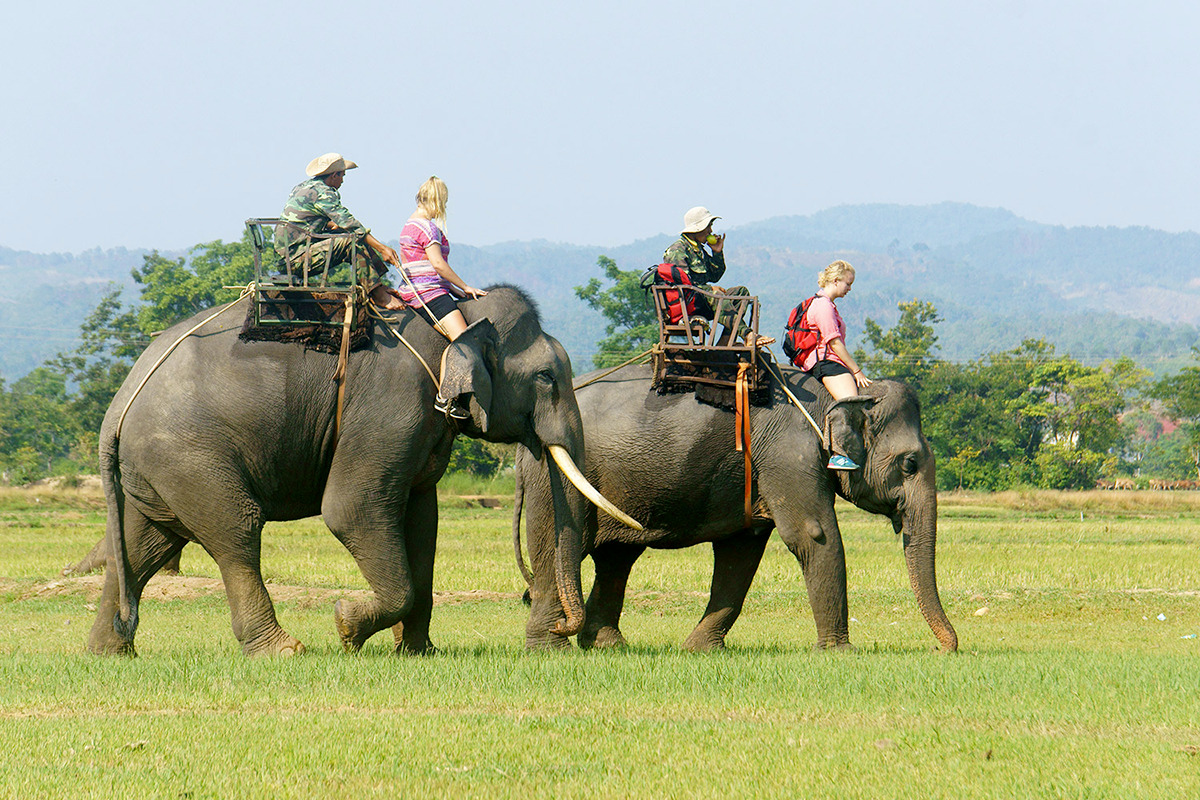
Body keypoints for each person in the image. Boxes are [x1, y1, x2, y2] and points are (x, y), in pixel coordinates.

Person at [395, 176, 487, 419]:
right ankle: (445, 398)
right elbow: (437, 264)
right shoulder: (427, 227)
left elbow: (423, 265)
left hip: (423, 289)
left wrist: (455, 290)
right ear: (437, 200)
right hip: (429, 294)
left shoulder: (409, 225)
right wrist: (465, 286)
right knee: (464, 340)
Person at [275, 152, 402, 309]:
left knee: (351, 235)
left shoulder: (304, 187)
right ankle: (378, 295)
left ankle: (377, 285)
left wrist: (329, 225)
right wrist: (382, 248)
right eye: (342, 175)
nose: (342, 180)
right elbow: (351, 224)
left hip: (293, 252)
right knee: (351, 240)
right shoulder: (324, 193)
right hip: (296, 258)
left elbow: (303, 216)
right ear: (334, 175)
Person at [662, 206, 774, 347]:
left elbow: (715, 276)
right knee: (715, 294)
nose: (710, 231)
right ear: (697, 229)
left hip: (704, 300)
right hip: (689, 304)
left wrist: (717, 253)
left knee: (741, 293)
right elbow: (683, 285)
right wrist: (709, 289)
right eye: (707, 227)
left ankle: (725, 342)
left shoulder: (698, 249)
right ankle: (748, 334)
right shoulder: (677, 250)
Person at [797, 259, 871, 470]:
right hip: (827, 363)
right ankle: (838, 453)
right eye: (848, 283)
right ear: (836, 280)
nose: (849, 288)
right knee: (850, 402)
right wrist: (856, 370)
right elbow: (834, 342)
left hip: (831, 362)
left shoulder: (827, 304)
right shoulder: (822, 306)